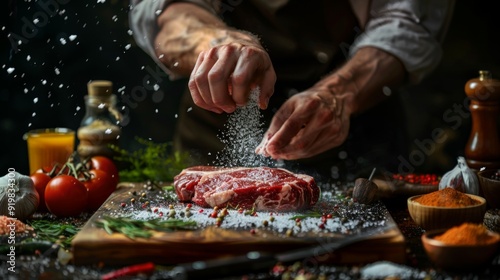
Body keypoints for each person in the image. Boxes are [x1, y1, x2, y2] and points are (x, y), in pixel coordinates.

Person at [129, 0, 455, 180]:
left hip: (354, 126)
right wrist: (217, 43)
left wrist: (337, 96)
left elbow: (410, 23)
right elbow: (161, 11)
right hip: (212, 128)